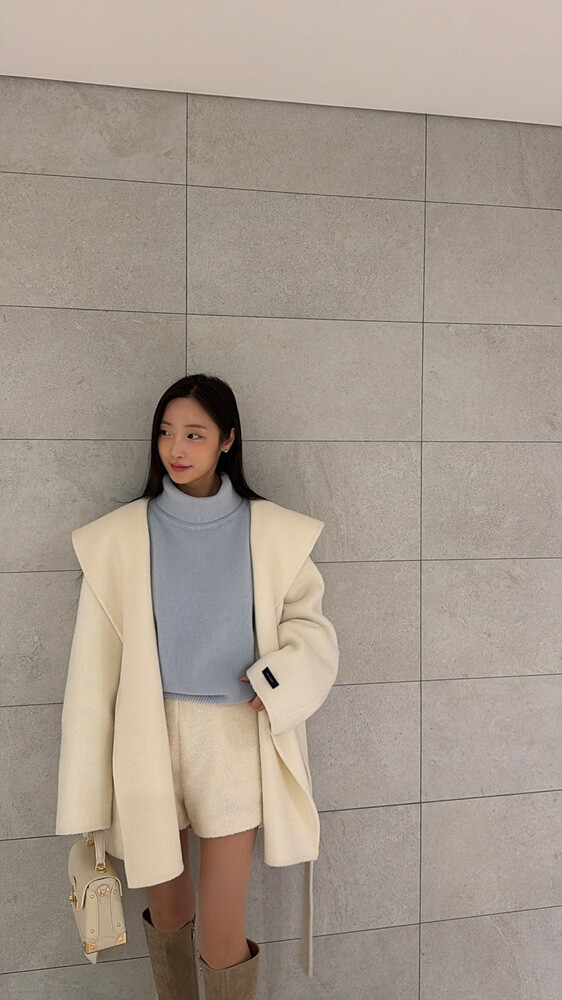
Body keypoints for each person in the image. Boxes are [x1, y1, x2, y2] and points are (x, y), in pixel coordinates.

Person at [55, 372, 339, 999]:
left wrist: (275, 681)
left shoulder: (272, 532)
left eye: (194, 434)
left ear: (227, 439)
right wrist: (87, 783)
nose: (175, 448)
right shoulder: (120, 537)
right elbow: (92, 669)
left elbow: (311, 629)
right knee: (168, 913)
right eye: (166, 432)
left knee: (219, 933)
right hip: (147, 735)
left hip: (233, 739)